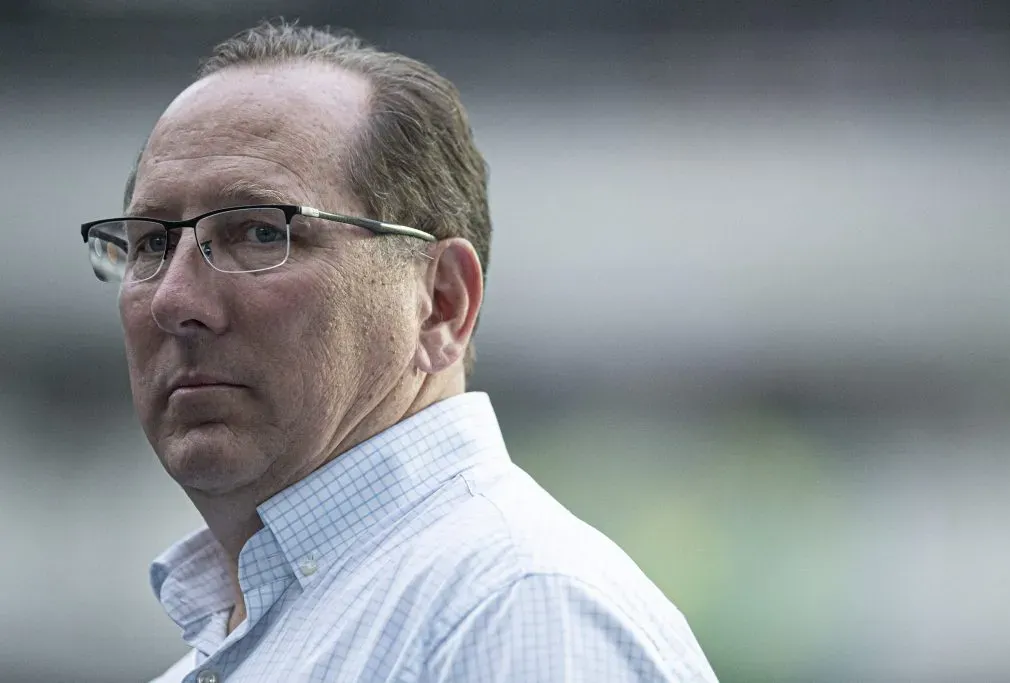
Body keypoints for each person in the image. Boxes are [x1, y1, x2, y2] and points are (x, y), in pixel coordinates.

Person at [79, 20, 718, 683]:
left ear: (442, 303)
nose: (173, 299)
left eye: (260, 232)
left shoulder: (517, 608)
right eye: (151, 245)